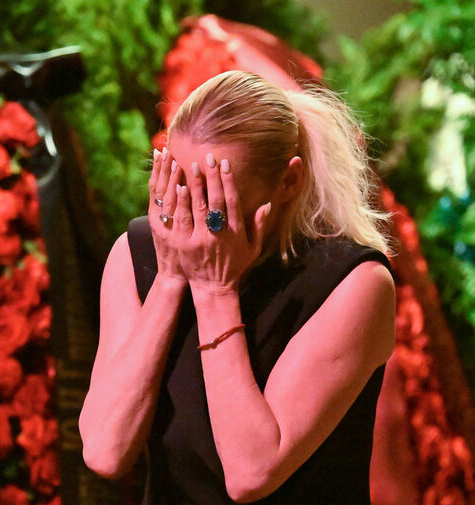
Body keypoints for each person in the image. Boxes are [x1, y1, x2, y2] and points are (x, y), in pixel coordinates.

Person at [78, 70, 396, 504]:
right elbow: (104, 451)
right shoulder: (138, 255)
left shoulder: (353, 284)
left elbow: (251, 473)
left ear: (288, 182)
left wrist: (215, 292)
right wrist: (170, 279)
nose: (190, 217)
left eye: (214, 200)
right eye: (178, 188)